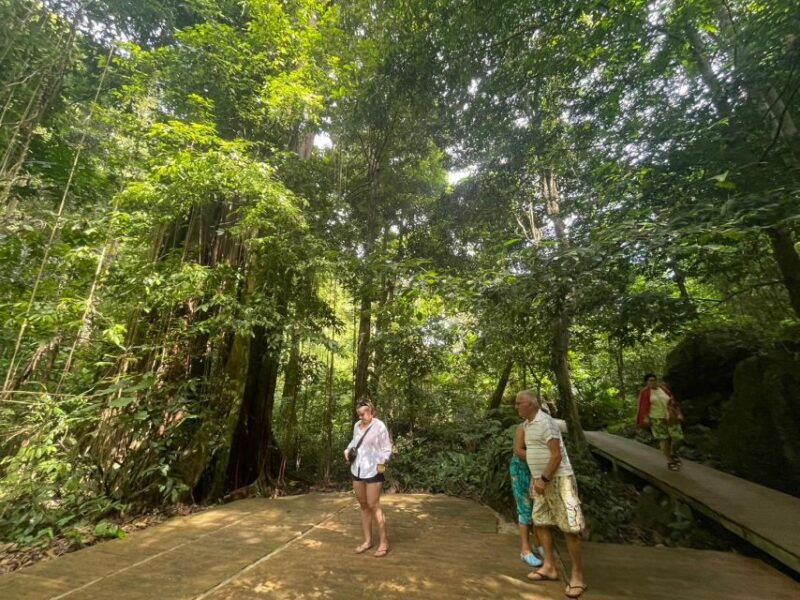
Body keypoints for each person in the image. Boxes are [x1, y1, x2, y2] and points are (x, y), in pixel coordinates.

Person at [517, 390, 587, 599]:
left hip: (558, 480)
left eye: (519, 403)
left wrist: (544, 479)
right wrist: (536, 479)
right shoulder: (527, 425)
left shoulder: (546, 423)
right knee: (540, 522)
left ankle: (577, 576)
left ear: (531, 404)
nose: (516, 406)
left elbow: (556, 456)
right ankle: (549, 566)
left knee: (569, 527)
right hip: (540, 481)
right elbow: (529, 452)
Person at [344, 399, 392, 557]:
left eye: (364, 413)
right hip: (357, 469)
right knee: (364, 505)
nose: (361, 416)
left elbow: (386, 448)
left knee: (373, 505)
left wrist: (382, 462)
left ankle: (384, 542)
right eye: (359, 414)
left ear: (372, 412)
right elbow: (354, 442)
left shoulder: (379, 426)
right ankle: (367, 541)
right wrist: (347, 450)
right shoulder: (357, 426)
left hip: (373, 470)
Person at [511, 404, 543, 568]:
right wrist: (540, 456)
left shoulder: (543, 427)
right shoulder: (522, 427)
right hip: (521, 470)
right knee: (525, 509)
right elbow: (518, 450)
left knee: (538, 508)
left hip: (538, 472)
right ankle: (525, 550)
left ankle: (540, 544)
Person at [636, 373, 684, 471]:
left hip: (670, 416)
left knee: (678, 438)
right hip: (656, 419)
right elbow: (642, 406)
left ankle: (673, 453)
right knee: (664, 439)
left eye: (654, 380)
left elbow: (673, 401)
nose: (653, 382)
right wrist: (645, 417)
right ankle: (670, 461)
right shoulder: (645, 392)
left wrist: (678, 412)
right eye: (650, 380)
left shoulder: (664, 389)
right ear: (646, 382)